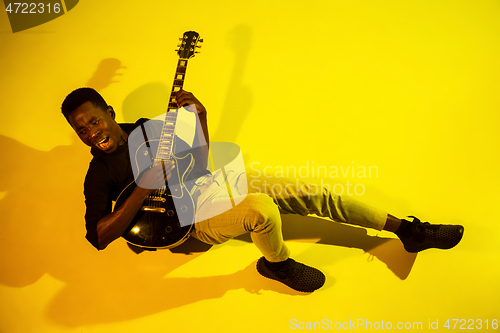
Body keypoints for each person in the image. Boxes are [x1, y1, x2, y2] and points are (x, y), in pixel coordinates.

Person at [61, 87, 464, 293]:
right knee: (263, 210)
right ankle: (276, 263)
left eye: (94, 122)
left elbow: (198, 162)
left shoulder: (148, 129)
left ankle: (406, 230)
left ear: (109, 114)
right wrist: (143, 187)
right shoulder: (98, 174)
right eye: (81, 130)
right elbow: (99, 236)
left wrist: (200, 115)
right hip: (190, 221)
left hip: (206, 185)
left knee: (312, 190)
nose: (91, 133)